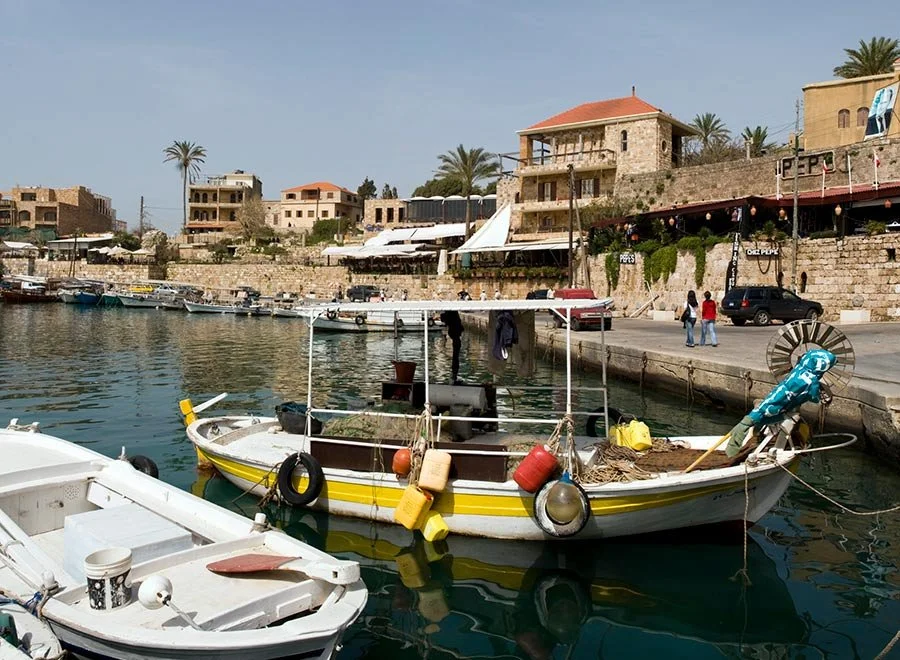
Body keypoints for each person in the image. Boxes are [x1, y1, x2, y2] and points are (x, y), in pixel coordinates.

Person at [440, 307, 464, 384]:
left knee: (455, 356)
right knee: (455, 356)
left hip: (455, 334)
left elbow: (445, 320)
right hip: (455, 334)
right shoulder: (454, 316)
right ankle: (454, 374)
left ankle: (454, 374)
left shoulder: (452, 315)